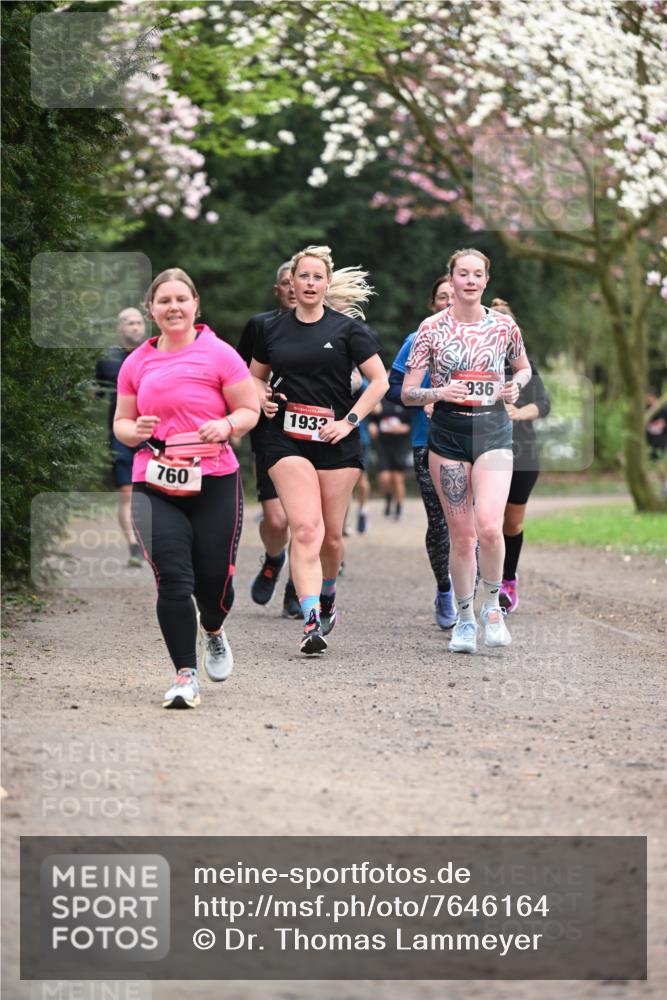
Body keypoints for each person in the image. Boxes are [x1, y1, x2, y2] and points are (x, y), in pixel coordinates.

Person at [113, 268, 259, 708]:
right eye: (164, 300)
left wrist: (227, 423)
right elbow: (120, 424)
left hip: (214, 478)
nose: (173, 307)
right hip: (154, 479)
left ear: (196, 304)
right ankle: (184, 675)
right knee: (174, 578)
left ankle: (213, 629)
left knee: (214, 582)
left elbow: (249, 408)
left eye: (181, 299)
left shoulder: (220, 354)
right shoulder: (137, 361)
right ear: (151, 309)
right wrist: (134, 429)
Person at [249, 245, 388, 655]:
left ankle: (328, 595)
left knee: (329, 537)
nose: (309, 284)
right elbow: (252, 376)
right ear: (290, 282)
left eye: (316, 277)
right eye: (302, 277)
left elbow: (378, 381)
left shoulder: (348, 330)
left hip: (336, 442)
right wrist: (262, 396)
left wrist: (348, 422)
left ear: (327, 284)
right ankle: (311, 621)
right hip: (285, 438)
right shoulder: (270, 328)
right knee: (306, 529)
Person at [402, 249, 531, 654]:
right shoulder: (430, 329)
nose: (470, 281)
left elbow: (523, 367)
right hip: (448, 433)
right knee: (462, 536)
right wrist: (439, 391)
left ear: (486, 281)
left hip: (493, 429)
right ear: (452, 278)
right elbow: (408, 392)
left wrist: (516, 385)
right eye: (463, 274)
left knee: (490, 527)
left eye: (478, 274)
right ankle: (464, 617)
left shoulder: (504, 327)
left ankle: (492, 607)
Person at [387, 275, 457, 628]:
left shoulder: (483, 338)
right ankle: (444, 588)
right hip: (426, 440)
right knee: (440, 522)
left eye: (454, 295)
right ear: (433, 304)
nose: (449, 301)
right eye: (442, 297)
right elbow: (392, 388)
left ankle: (467, 596)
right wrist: (424, 399)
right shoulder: (418, 339)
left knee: (470, 521)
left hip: (473, 441)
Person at [237, 262, 301, 618]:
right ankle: (274, 558)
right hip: (271, 429)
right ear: (277, 289)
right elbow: (239, 373)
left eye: (300, 280)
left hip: (316, 431)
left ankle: (297, 585)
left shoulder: (333, 326)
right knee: (277, 520)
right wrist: (254, 395)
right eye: (286, 283)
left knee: (307, 520)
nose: (294, 288)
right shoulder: (261, 326)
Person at [490, 299, 551, 613]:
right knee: (485, 522)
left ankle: (508, 580)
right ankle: (485, 582)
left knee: (511, 524)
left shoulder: (525, 366)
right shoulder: (473, 359)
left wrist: (517, 412)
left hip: (521, 453)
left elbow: (544, 404)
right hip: (482, 451)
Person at [95, 308, 147, 567]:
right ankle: (134, 547)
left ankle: (156, 542)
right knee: (127, 492)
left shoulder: (155, 354)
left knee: (154, 491)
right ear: (119, 328)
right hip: (121, 436)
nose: (135, 327)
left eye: (139, 322)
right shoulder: (107, 360)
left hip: (154, 433)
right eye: (129, 322)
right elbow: (95, 395)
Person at [369, 391, 412, 521]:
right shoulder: (380, 401)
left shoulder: (405, 401)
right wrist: (372, 426)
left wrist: (403, 428)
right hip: (383, 444)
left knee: (397, 478)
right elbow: (373, 419)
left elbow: (411, 424)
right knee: (384, 477)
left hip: (400, 445)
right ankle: (388, 497)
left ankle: (399, 507)